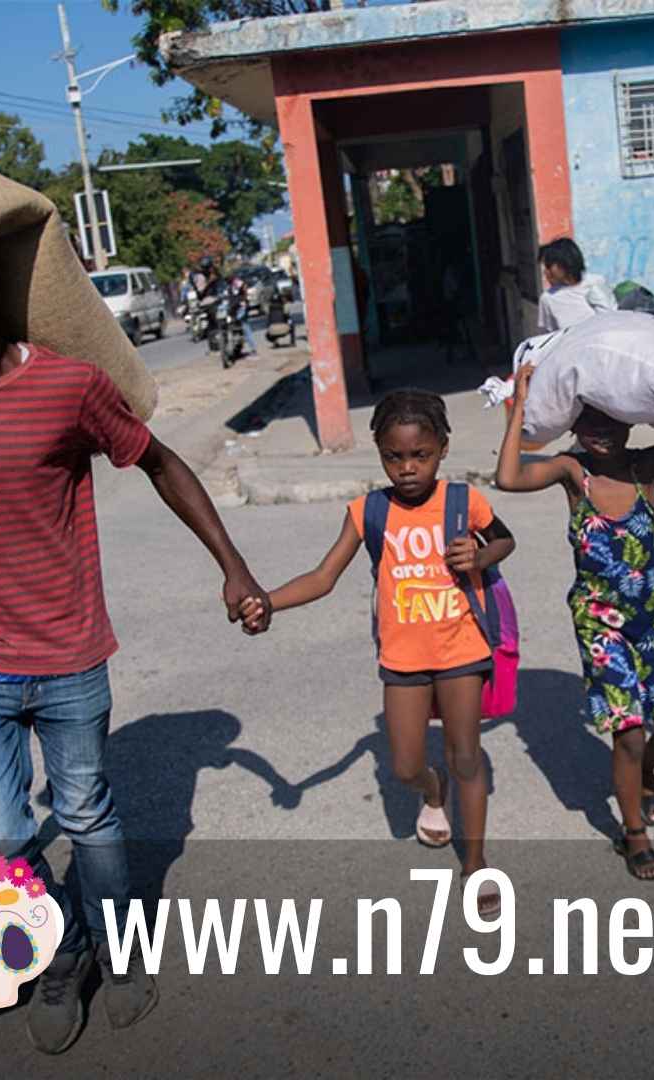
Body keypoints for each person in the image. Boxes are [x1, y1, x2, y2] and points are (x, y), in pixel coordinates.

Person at [0, 242, 272, 1053]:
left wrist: (233, 567)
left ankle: (120, 947)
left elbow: (160, 460)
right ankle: (62, 956)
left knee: (86, 816)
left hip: (72, 655)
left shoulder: (68, 385)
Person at [241, 390, 515, 914]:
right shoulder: (369, 510)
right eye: (394, 456)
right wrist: (269, 601)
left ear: (443, 449)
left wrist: (479, 556)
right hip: (403, 659)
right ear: (379, 452)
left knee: (465, 754)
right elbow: (324, 577)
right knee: (407, 763)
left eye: (420, 455)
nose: (408, 468)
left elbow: (505, 541)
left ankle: (476, 862)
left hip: (461, 647)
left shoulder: (462, 501)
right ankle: (432, 792)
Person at [496, 329, 654, 880]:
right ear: (572, 423)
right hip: (601, 627)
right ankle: (633, 833)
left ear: (631, 417)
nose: (598, 430)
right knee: (629, 732)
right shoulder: (575, 475)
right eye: (586, 418)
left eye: (609, 417)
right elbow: (509, 476)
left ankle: (644, 773)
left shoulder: (647, 468)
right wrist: (519, 403)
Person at [537, 237, 616, 334]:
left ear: (564, 263)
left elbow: (612, 319)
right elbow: (547, 337)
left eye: (549, 266)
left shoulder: (595, 283)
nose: (546, 272)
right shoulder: (548, 298)